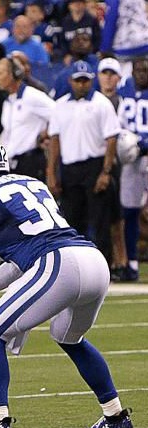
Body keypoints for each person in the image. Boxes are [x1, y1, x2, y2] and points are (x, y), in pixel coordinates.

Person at [0, 133, 134, 428]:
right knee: (68, 336)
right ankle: (115, 415)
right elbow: (14, 268)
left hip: (57, 263)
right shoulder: (31, 182)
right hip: (92, 260)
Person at [47, 60, 120, 262]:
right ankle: (76, 267)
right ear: (71, 81)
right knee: (72, 221)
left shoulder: (101, 104)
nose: (81, 84)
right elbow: (54, 140)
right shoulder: (60, 106)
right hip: (70, 168)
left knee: (100, 221)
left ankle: (104, 267)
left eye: (85, 80)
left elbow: (111, 139)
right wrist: (51, 172)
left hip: (94, 166)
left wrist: (106, 172)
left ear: (91, 81)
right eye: (78, 80)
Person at [0, 56, 54, 182]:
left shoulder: (32, 96)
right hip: (11, 165)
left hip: (30, 163)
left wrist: (46, 133)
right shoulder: (8, 101)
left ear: (14, 74)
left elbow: (59, 114)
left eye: (0, 73)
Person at [96, 57, 128, 281]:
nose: (108, 78)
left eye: (112, 74)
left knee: (117, 217)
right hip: (95, 162)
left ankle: (122, 261)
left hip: (117, 163)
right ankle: (110, 262)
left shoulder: (123, 103)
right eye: (104, 73)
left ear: (118, 78)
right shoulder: (93, 102)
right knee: (102, 217)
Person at [117, 56, 148, 281]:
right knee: (129, 211)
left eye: (145, 70)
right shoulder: (124, 92)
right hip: (131, 159)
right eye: (138, 70)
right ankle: (132, 262)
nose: (142, 74)